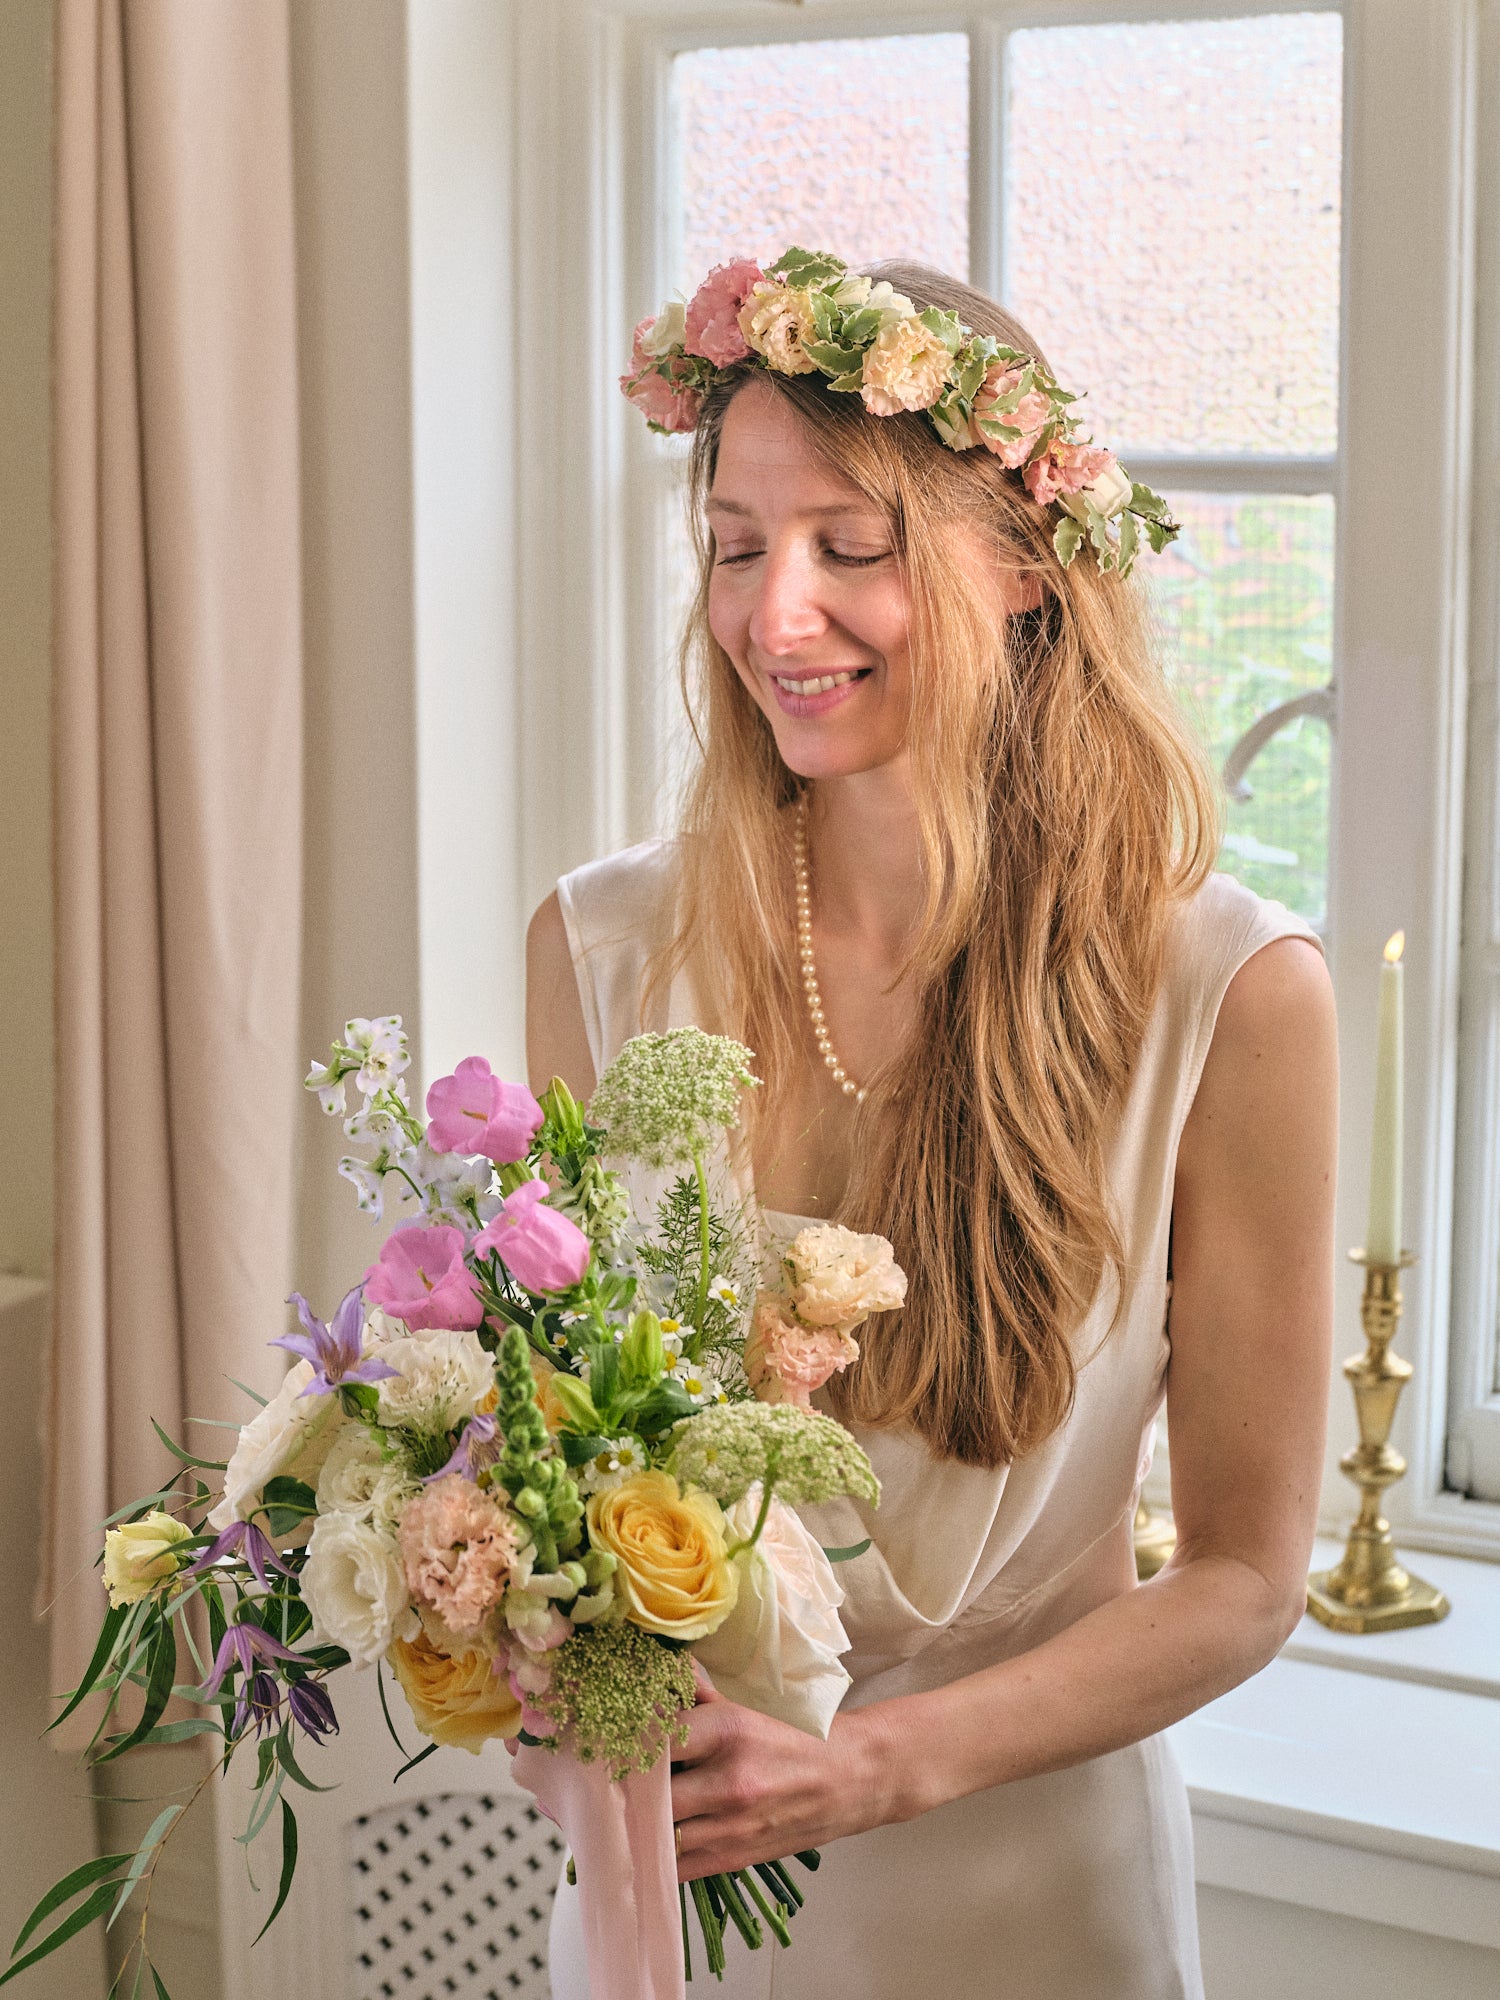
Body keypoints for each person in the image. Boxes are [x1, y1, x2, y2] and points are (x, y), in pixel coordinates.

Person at [527, 259, 1337, 2000]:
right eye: (738, 546)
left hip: (1029, 1903)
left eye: (851, 545)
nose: (777, 616)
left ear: (1024, 565)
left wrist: (872, 1771)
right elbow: (559, 1445)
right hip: (672, 1895)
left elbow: (1252, 1574)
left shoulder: (1231, 991)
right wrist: (529, 1647)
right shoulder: (602, 953)